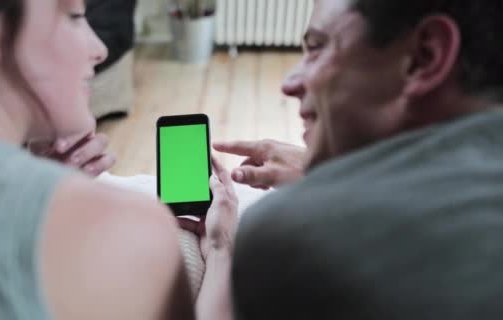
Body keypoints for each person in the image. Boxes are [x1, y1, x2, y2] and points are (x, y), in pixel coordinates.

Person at [0, 1, 234, 319]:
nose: (99, 49)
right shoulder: (129, 227)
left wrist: (34, 178)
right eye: (73, 16)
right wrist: (220, 250)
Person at [209, 0, 503, 319]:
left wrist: (219, 247)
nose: (290, 83)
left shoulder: (293, 236)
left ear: (423, 57)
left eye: (317, 48)